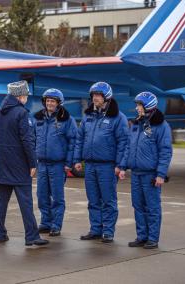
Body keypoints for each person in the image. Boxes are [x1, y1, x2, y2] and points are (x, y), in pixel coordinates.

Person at [0, 80, 49, 247]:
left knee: (2, 200)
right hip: (19, 165)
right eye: (26, 95)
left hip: (2, 164)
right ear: (20, 96)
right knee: (25, 201)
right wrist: (32, 163)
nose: (26, 98)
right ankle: (31, 236)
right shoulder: (22, 114)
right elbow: (27, 140)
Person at [73, 82, 128, 243]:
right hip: (90, 165)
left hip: (107, 166)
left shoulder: (118, 118)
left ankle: (108, 231)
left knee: (108, 200)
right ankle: (95, 229)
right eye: (93, 95)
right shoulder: (88, 116)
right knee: (93, 200)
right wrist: (77, 159)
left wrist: (120, 165)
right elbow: (80, 139)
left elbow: (123, 143)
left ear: (106, 97)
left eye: (98, 95)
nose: (95, 98)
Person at [121, 92, 172, 249]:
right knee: (138, 206)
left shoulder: (161, 126)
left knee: (152, 207)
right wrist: (123, 166)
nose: (137, 108)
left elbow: (165, 151)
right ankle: (141, 236)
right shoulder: (136, 124)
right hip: (136, 173)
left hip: (150, 174)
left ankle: (153, 238)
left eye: (139, 105)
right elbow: (129, 147)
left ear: (147, 106)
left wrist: (161, 174)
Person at [33, 88, 77, 236]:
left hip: (58, 165)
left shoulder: (67, 120)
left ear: (59, 103)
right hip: (42, 164)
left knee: (57, 197)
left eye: (52, 101)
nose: (49, 103)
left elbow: (73, 142)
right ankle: (45, 223)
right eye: (47, 101)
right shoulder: (38, 119)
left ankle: (56, 225)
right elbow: (33, 140)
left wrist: (69, 163)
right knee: (41, 195)